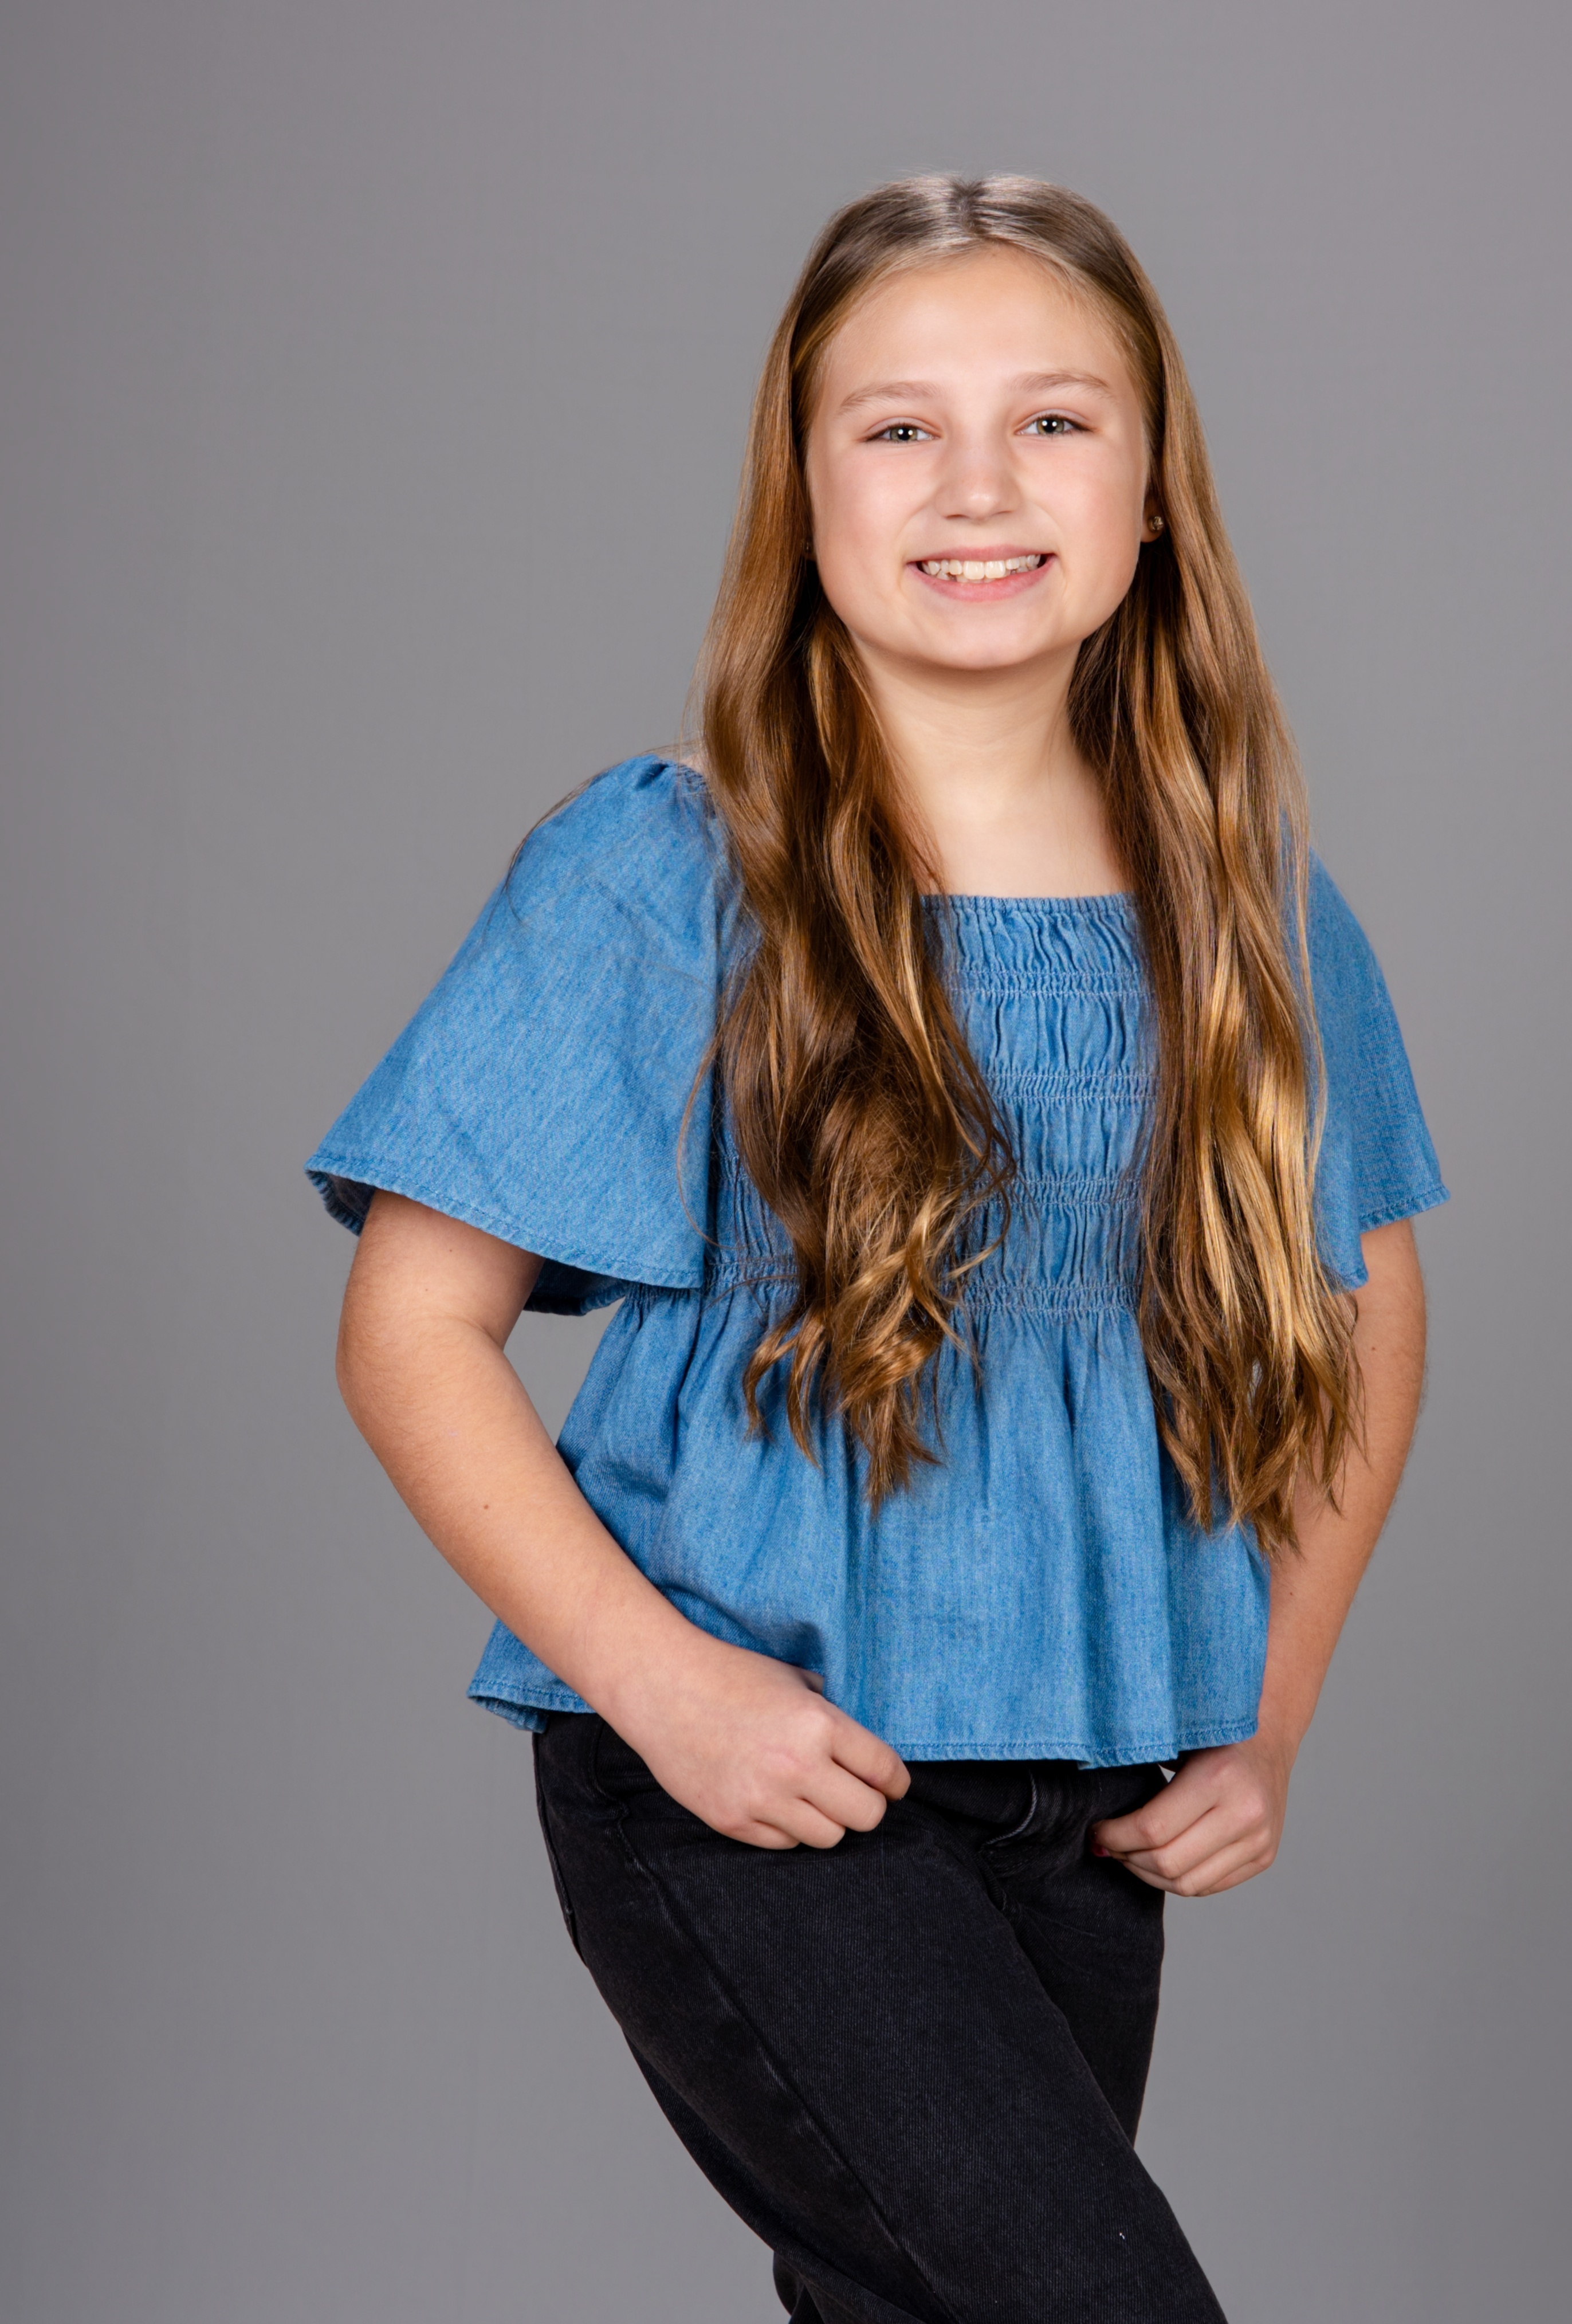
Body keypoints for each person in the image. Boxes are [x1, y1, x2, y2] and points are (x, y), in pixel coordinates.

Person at [309, 174, 1446, 2323]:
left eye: (1055, 421)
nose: (978, 485)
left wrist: (1273, 1705)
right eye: (900, 426)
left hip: (1093, 1791)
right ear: (806, 488)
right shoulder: (671, 871)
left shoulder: (1253, 911)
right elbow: (413, 1325)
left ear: (1153, 500)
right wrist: (667, 1692)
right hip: (750, 1773)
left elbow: (1363, 1304)